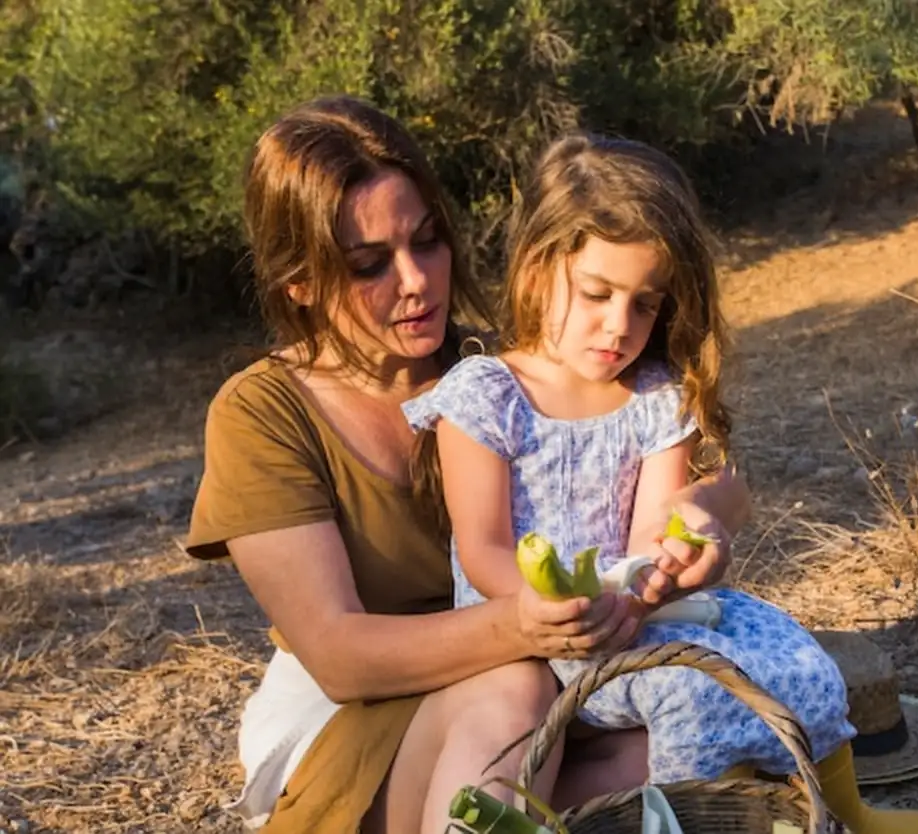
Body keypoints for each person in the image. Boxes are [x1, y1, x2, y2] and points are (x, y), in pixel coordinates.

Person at [182, 96, 749, 834]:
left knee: (701, 739)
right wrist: (532, 625)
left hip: (544, 683)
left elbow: (707, 468)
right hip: (360, 716)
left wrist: (705, 519)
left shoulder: (495, 375)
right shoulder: (261, 413)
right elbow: (341, 657)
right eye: (369, 264)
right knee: (512, 692)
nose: (417, 280)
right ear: (302, 282)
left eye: (428, 241)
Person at [402, 133, 918, 834]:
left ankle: (843, 811)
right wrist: (556, 603)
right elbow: (482, 552)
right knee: (690, 698)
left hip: (630, 622)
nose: (619, 327)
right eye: (598, 294)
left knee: (795, 663)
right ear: (542, 270)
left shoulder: (656, 397)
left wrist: (671, 563)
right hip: (528, 630)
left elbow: (653, 533)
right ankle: (688, 813)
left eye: (645, 304)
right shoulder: (487, 395)